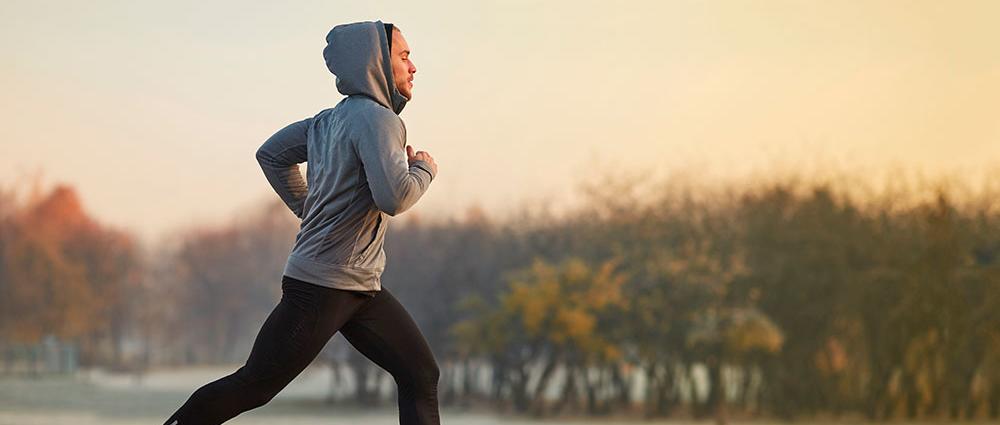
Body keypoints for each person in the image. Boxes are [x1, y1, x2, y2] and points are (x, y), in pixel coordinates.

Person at [163, 20, 440, 425]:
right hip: (323, 287)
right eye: (403, 56)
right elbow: (394, 196)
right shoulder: (380, 121)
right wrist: (423, 170)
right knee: (254, 385)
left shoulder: (327, 121)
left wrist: (308, 206)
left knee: (420, 374)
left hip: (360, 286)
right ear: (377, 63)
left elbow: (270, 154)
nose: (413, 67)